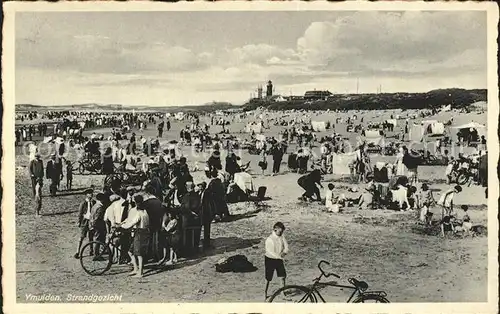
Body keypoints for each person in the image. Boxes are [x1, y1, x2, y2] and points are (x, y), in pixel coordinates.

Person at [119, 195, 150, 278]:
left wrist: (121, 226)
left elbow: (132, 223)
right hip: (142, 232)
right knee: (130, 252)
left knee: (139, 254)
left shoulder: (139, 213)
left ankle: (140, 273)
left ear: (136, 203)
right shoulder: (145, 211)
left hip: (140, 233)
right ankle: (136, 269)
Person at [264, 222, 289, 300]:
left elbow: (286, 246)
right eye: (280, 231)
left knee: (282, 276)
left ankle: (282, 293)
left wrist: (284, 252)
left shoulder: (282, 236)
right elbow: (270, 251)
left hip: (279, 259)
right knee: (268, 278)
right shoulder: (269, 239)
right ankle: (264, 293)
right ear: (275, 229)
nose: (281, 233)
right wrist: (280, 257)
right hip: (270, 259)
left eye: (282, 231)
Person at [74, 189, 95, 259]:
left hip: (91, 221)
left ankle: (91, 250)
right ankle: (77, 252)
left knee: (91, 237)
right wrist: (79, 222)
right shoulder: (83, 203)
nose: (91, 194)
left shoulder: (94, 202)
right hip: (85, 221)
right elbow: (80, 213)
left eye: (92, 193)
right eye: (89, 193)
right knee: (81, 237)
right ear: (86, 195)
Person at [89, 192, 108, 261]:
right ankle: (96, 255)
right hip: (98, 225)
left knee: (96, 239)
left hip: (93, 224)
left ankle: (96, 253)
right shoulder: (100, 207)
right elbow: (97, 218)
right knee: (98, 240)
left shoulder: (95, 206)